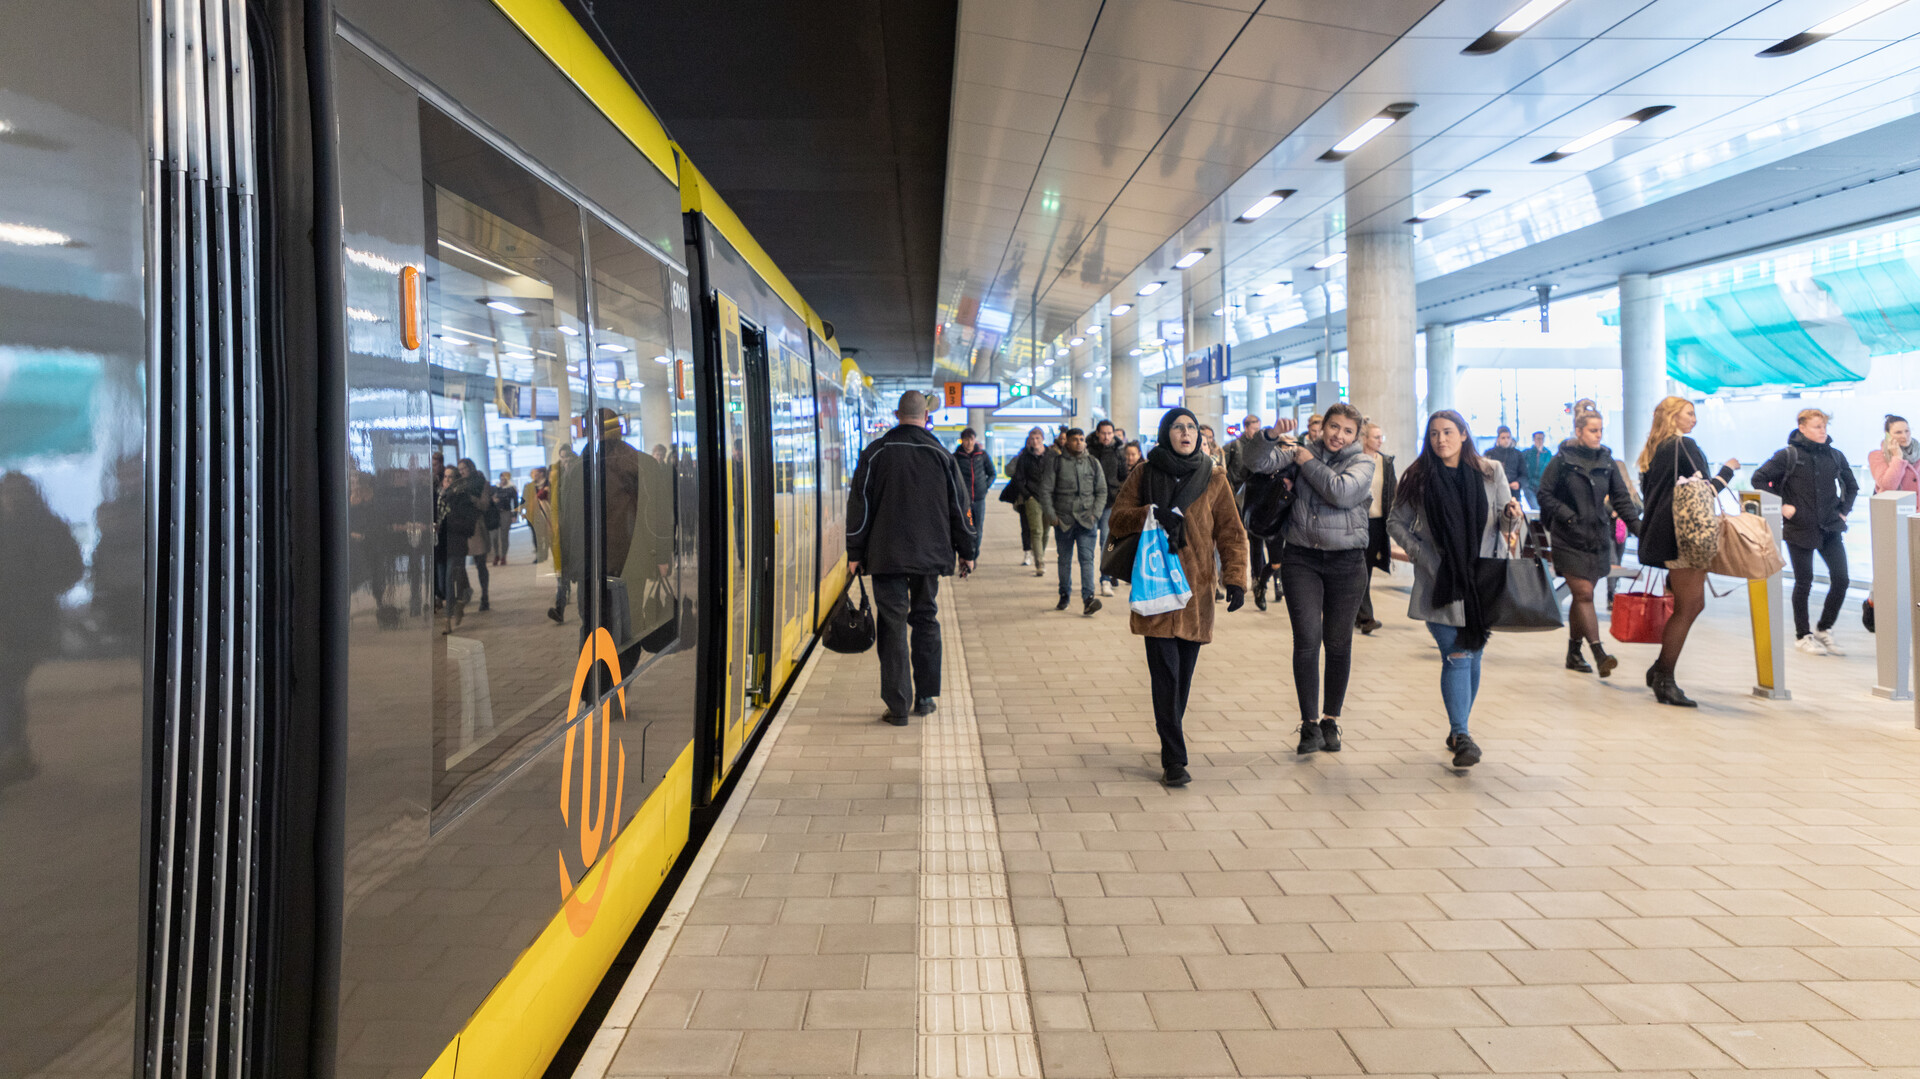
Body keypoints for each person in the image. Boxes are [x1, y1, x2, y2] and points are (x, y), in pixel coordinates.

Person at [1109, 408, 1249, 787]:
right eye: (1177, 427)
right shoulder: (1145, 472)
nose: (1186, 433)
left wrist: (1235, 578)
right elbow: (1117, 519)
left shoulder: (1214, 477)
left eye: (1191, 427)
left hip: (1195, 592)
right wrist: (1150, 514)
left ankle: (1170, 733)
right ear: (1165, 433)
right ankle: (1174, 757)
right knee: (1166, 676)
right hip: (1155, 588)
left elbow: (1232, 533)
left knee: (1182, 678)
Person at [1388, 410, 1524, 768]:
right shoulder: (1418, 476)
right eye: (1434, 434)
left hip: (1481, 580)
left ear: (1464, 435)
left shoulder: (1490, 471)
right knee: (1458, 655)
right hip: (1440, 581)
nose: (1440, 440)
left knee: (1473, 655)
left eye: (1448, 432)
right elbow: (1395, 521)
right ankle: (1462, 733)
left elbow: (1501, 519)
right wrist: (1419, 553)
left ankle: (1458, 730)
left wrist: (1513, 514)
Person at [846, 391, 978, 724]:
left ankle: (898, 705)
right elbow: (960, 509)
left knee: (892, 625)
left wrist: (854, 552)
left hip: (885, 555)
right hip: (930, 555)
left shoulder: (876, 452)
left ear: (896, 414)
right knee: (925, 619)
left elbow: (859, 506)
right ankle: (926, 697)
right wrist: (968, 552)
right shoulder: (941, 455)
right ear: (926, 417)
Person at [1271, 403, 1375, 755]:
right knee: (1307, 639)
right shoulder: (1298, 451)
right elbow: (1254, 464)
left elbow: (1341, 492)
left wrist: (1305, 462)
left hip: (1347, 563)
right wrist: (1271, 436)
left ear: (1356, 436)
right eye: (1333, 426)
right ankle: (1309, 725)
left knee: (1338, 642)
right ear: (1323, 426)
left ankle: (1330, 719)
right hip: (1301, 557)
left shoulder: (1364, 462)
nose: (1338, 435)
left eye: (1347, 430)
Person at [1636, 396, 1738, 706]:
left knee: (1691, 604)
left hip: (1665, 535)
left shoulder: (1654, 450)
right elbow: (1704, 492)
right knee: (1688, 606)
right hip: (1686, 537)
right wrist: (1728, 471)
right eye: (1689, 413)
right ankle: (1665, 677)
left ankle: (1660, 669)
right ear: (1672, 417)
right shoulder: (1685, 446)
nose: (1694, 419)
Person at [1537, 410, 1640, 677]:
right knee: (1583, 594)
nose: (1598, 435)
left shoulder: (1607, 461)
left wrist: (1639, 529)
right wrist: (1567, 516)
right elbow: (1544, 494)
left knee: (1583, 597)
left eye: (1601, 430)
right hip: (1568, 538)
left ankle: (1573, 652)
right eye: (1593, 430)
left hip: (1596, 539)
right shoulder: (1562, 461)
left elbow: (1621, 499)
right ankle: (1599, 652)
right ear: (1579, 431)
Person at [1753, 408, 1858, 657]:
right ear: (1802, 428)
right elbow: (1758, 479)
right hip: (1799, 526)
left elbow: (1851, 485)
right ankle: (1803, 635)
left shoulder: (1835, 456)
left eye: (1824, 427)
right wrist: (1781, 505)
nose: (1822, 431)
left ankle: (1824, 628)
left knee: (1841, 579)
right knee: (1804, 581)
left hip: (1830, 527)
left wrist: (1844, 511)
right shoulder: (1788, 455)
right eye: (1817, 427)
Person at [1038, 427, 1108, 614]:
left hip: (1087, 520)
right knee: (1065, 560)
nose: (1079, 442)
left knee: (1087, 559)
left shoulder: (1093, 463)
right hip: (1064, 520)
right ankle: (1064, 595)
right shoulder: (1057, 463)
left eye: (1082, 439)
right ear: (1066, 442)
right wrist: (1052, 517)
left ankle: (1088, 599)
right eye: (1075, 439)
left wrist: (1096, 514)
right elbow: (1045, 491)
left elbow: (1102, 490)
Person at [1225, 413, 1277, 611]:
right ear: (1246, 428)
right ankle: (1258, 584)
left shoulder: (1269, 446)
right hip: (1247, 503)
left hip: (1269, 504)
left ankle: (1271, 580)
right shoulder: (1235, 447)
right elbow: (1230, 473)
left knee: (1274, 547)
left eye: (1259, 428)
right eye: (1253, 429)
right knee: (1255, 546)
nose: (1257, 433)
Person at [1356, 421, 1396, 635]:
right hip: (1357, 523)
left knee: (1367, 570)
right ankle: (1365, 617)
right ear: (1364, 439)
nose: (1380, 441)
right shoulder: (1354, 460)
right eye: (1376, 437)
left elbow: (1392, 492)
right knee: (1360, 569)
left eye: (1382, 437)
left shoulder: (1386, 463)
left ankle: (1357, 613)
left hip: (1378, 523)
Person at [1088, 419, 1126, 596]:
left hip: (1110, 503)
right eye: (1103, 433)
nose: (1106, 436)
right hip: (1089, 503)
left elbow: (1123, 476)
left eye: (1109, 433)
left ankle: (1105, 579)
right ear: (1097, 433)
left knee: (1107, 542)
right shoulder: (1089, 450)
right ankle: (1088, 583)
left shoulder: (1119, 452)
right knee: (1087, 543)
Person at [1009, 427, 1051, 571]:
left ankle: (1040, 553)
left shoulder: (1052, 456)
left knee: (1046, 531)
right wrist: (1027, 496)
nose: (1035, 441)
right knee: (1036, 530)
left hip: (1049, 498)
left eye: (1037, 438)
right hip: (1032, 498)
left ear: (1042, 439)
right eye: (1032, 439)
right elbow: (1019, 478)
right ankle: (1039, 562)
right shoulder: (1024, 458)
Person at [952, 427, 995, 544]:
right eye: (966, 440)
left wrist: (984, 487)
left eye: (971, 439)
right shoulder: (956, 457)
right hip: (963, 500)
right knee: (964, 527)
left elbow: (992, 473)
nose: (969, 443)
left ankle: (974, 554)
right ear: (962, 440)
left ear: (975, 440)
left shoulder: (982, 455)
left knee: (978, 528)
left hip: (979, 499)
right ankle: (966, 554)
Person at [1870, 414, 1920, 495]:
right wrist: (1897, 458)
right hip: (1894, 506)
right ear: (1888, 434)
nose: (1904, 436)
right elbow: (1888, 486)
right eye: (1898, 432)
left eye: (1907, 431)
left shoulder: (1918, 452)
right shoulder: (1877, 456)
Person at [1485, 425, 1525, 502]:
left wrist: (1519, 483)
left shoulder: (1518, 454)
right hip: (1494, 493)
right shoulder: (1490, 454)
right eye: (1503, 438)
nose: (1506, 440)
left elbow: (1524, 475)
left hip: (1513, 494)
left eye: (1508, 437)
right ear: (1498, 439)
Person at [522, 466, 553, 564]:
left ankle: (547, 552)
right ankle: (540, 555)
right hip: (533, 514)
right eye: (532, 474)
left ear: (541, 474)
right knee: (536, 535)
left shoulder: (549, 483)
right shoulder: (528, 486)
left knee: (548, 534)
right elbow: (524, 499)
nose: (533, 475)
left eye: (535, 473)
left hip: (547, 512)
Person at [489, 471, 520, 566]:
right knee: (494, 536)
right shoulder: (495, 488)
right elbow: (489, 499)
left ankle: (503, 556)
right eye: (501, 479)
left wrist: (515, 515)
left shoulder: (511, 489)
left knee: (504, 536)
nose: (502, 481)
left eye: (504, 479)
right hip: (495, 514)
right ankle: (496, 554)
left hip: (506, 513)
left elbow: (515, 503)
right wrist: (493, 500)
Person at [1520, 431, 1553, 510]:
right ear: (1534, 439)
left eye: (1542, 438)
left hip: (1542, 486)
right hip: (1529, 485)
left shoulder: (1548, 454)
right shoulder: (1527, 453)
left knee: (1542, 509)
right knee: (1535, 508)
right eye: (1538, 438)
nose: (1540, 440)